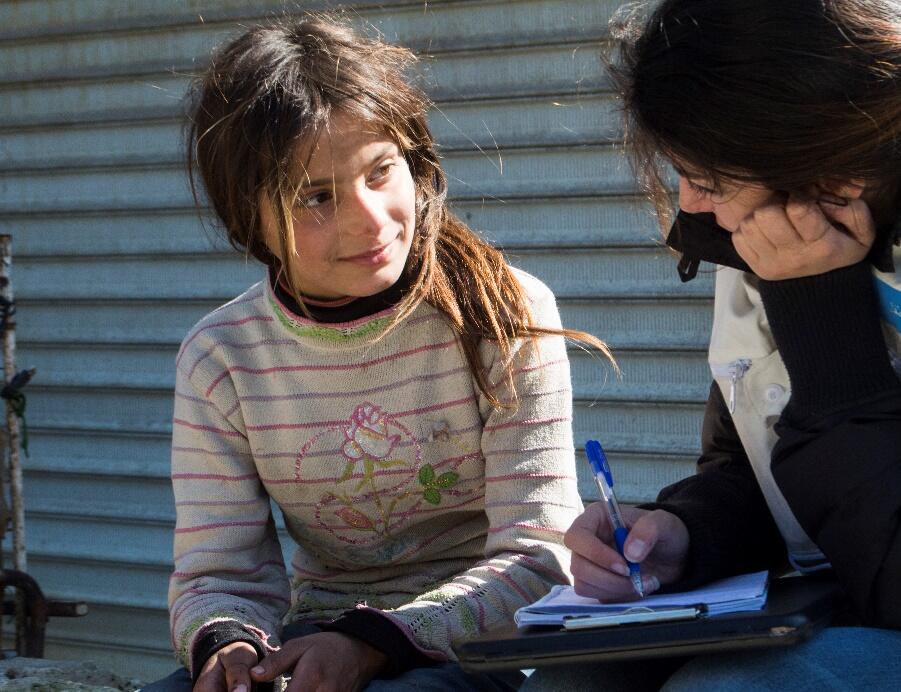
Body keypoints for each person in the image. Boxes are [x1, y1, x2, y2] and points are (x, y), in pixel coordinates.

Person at [526, 0, 901, 689]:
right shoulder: (776, 226)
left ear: (834, 177)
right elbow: (754, 471)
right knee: (576, 680)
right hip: (852, 603)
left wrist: (817, 305)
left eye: (708, 181)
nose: (691, 206)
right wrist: (684, 537)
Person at [144, 15, 611, 692]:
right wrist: (229, 643)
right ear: (248, 214)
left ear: (416, 164)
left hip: (485, 646)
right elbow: (219, 573)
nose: (367, 218)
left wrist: (374, 642)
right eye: (315, 197)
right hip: (317, 643)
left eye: (380, 171)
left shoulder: (502, 313)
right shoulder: (222, 359)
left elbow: (537, 557)